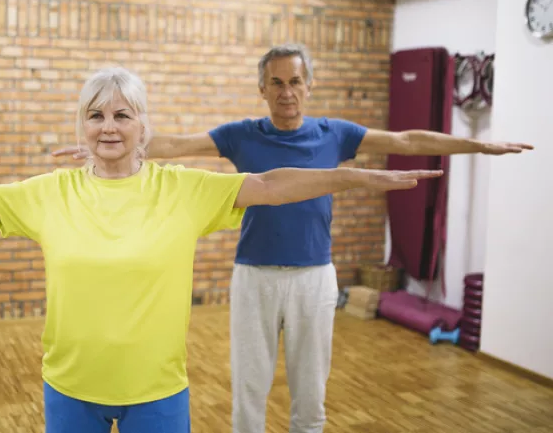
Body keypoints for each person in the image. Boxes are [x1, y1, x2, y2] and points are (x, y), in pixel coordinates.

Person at [0, 66, 442, 433]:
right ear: (81, 127)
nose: (109, 127)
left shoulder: (183, 189)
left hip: (158, 392)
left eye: (123, 115)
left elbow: (272, 185)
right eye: (97, 116)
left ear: (144, 128)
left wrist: (354, 176)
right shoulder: (49, 194)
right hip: (70, 388)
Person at [52, 47, 533, 433]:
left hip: (314, 277)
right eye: (277, 82)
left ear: (309, 85)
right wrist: (108, 141)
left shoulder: (336, 134)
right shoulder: (241, 135)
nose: (287, 92)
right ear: (262, 88)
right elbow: (173, 144)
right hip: (254, 276)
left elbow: (405, 140)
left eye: (296, 81)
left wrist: (480, 144)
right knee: (249, 388)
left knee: (310, 390)